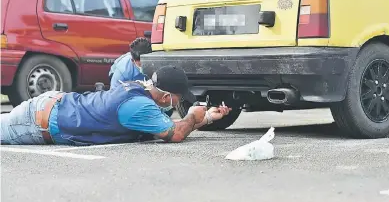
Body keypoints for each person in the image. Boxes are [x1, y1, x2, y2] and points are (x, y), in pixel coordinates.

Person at [1, 66, 231, 145]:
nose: (181, 102)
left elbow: (162, 125)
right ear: (164, 97)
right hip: (38, 120)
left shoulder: (139, 89)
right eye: (179, 97)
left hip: (53, 107)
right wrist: (193, 115)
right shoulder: (139, 106)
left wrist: (208, 117)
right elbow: (175, 133)